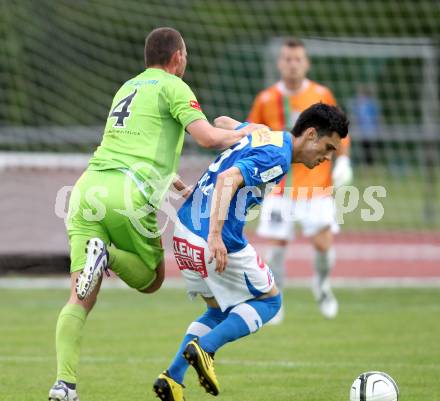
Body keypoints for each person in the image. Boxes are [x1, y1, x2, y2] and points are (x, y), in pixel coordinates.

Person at [48, 27, 258, 401]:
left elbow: (134, 149)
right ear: (177, 57)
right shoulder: (173, 86)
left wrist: (179, 188)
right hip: (128, 195)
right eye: (186, 56)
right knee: (151, 280)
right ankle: (107, 254)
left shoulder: (127, 87)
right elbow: (208, 137)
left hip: (86, 189)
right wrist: (251, 134)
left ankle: (64, 386)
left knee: (78, 301)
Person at [153, 103, 349, 401]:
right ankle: (205, 350)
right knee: (270, 301)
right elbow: (227, 178)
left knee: (219, 311)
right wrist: (216, 236)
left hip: (183, 231)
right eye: (328, 147)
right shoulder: (278, 156)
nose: (327, 158)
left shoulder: (267, 136)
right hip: (215, 237)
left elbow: (221, 119)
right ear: (310, 134)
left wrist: (242, 127)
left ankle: (173, 378)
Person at [248, 38, 353, 322]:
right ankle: (275, 299)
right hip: (280, 186)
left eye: (297, 59)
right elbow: (253, 133)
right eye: (287, 59)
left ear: (306, 63)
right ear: (279, 63)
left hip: (316, 186)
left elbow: (340, 133)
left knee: (322, 245)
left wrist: (343, 160)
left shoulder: (321, 94)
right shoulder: (266, 98)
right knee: (277, 248)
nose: (292, 64)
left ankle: (322, 285)